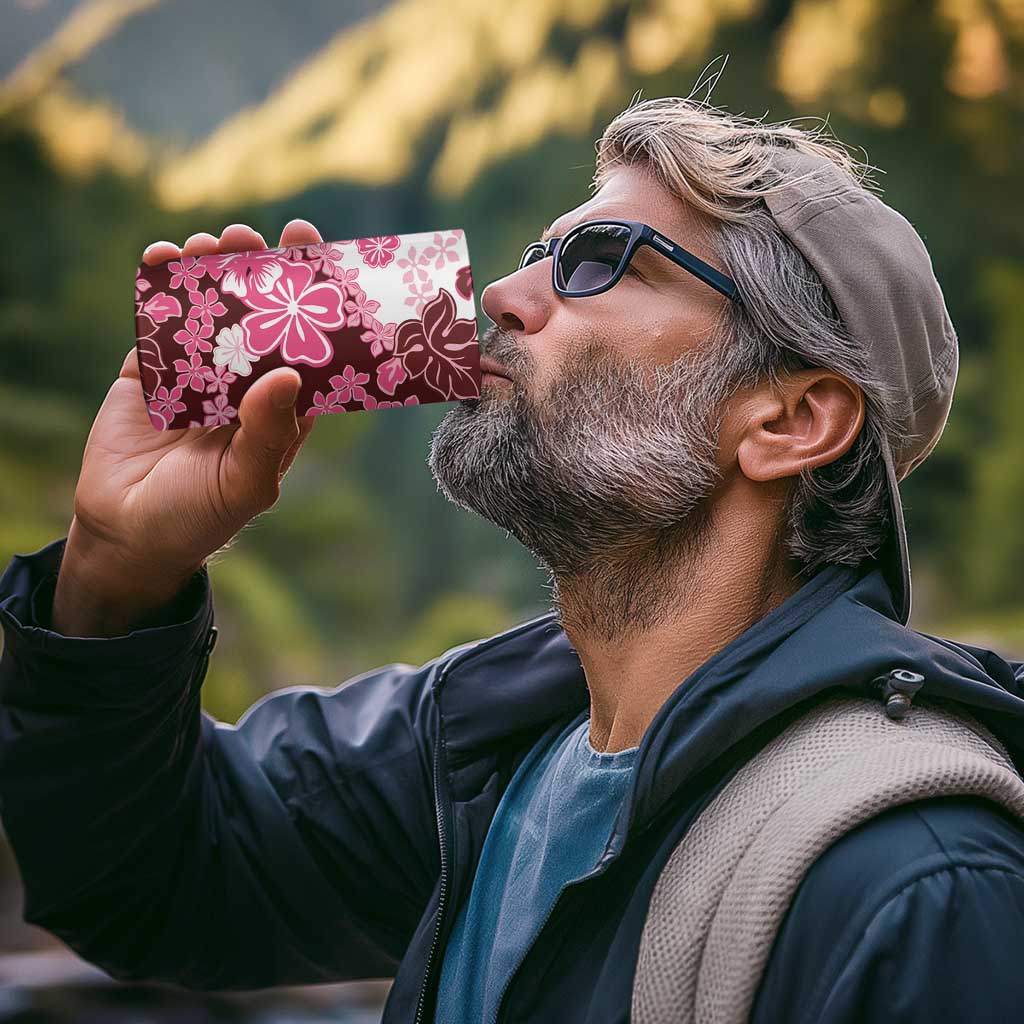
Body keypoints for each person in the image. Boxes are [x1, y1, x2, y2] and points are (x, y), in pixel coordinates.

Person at [2, 94, 1024, 1024]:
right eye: (540, 252)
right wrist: (115, 572)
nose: (500, 292)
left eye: (599, 261)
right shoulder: (480, 749)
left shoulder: (918, 884)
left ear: (790, 419)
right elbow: (148, 880)